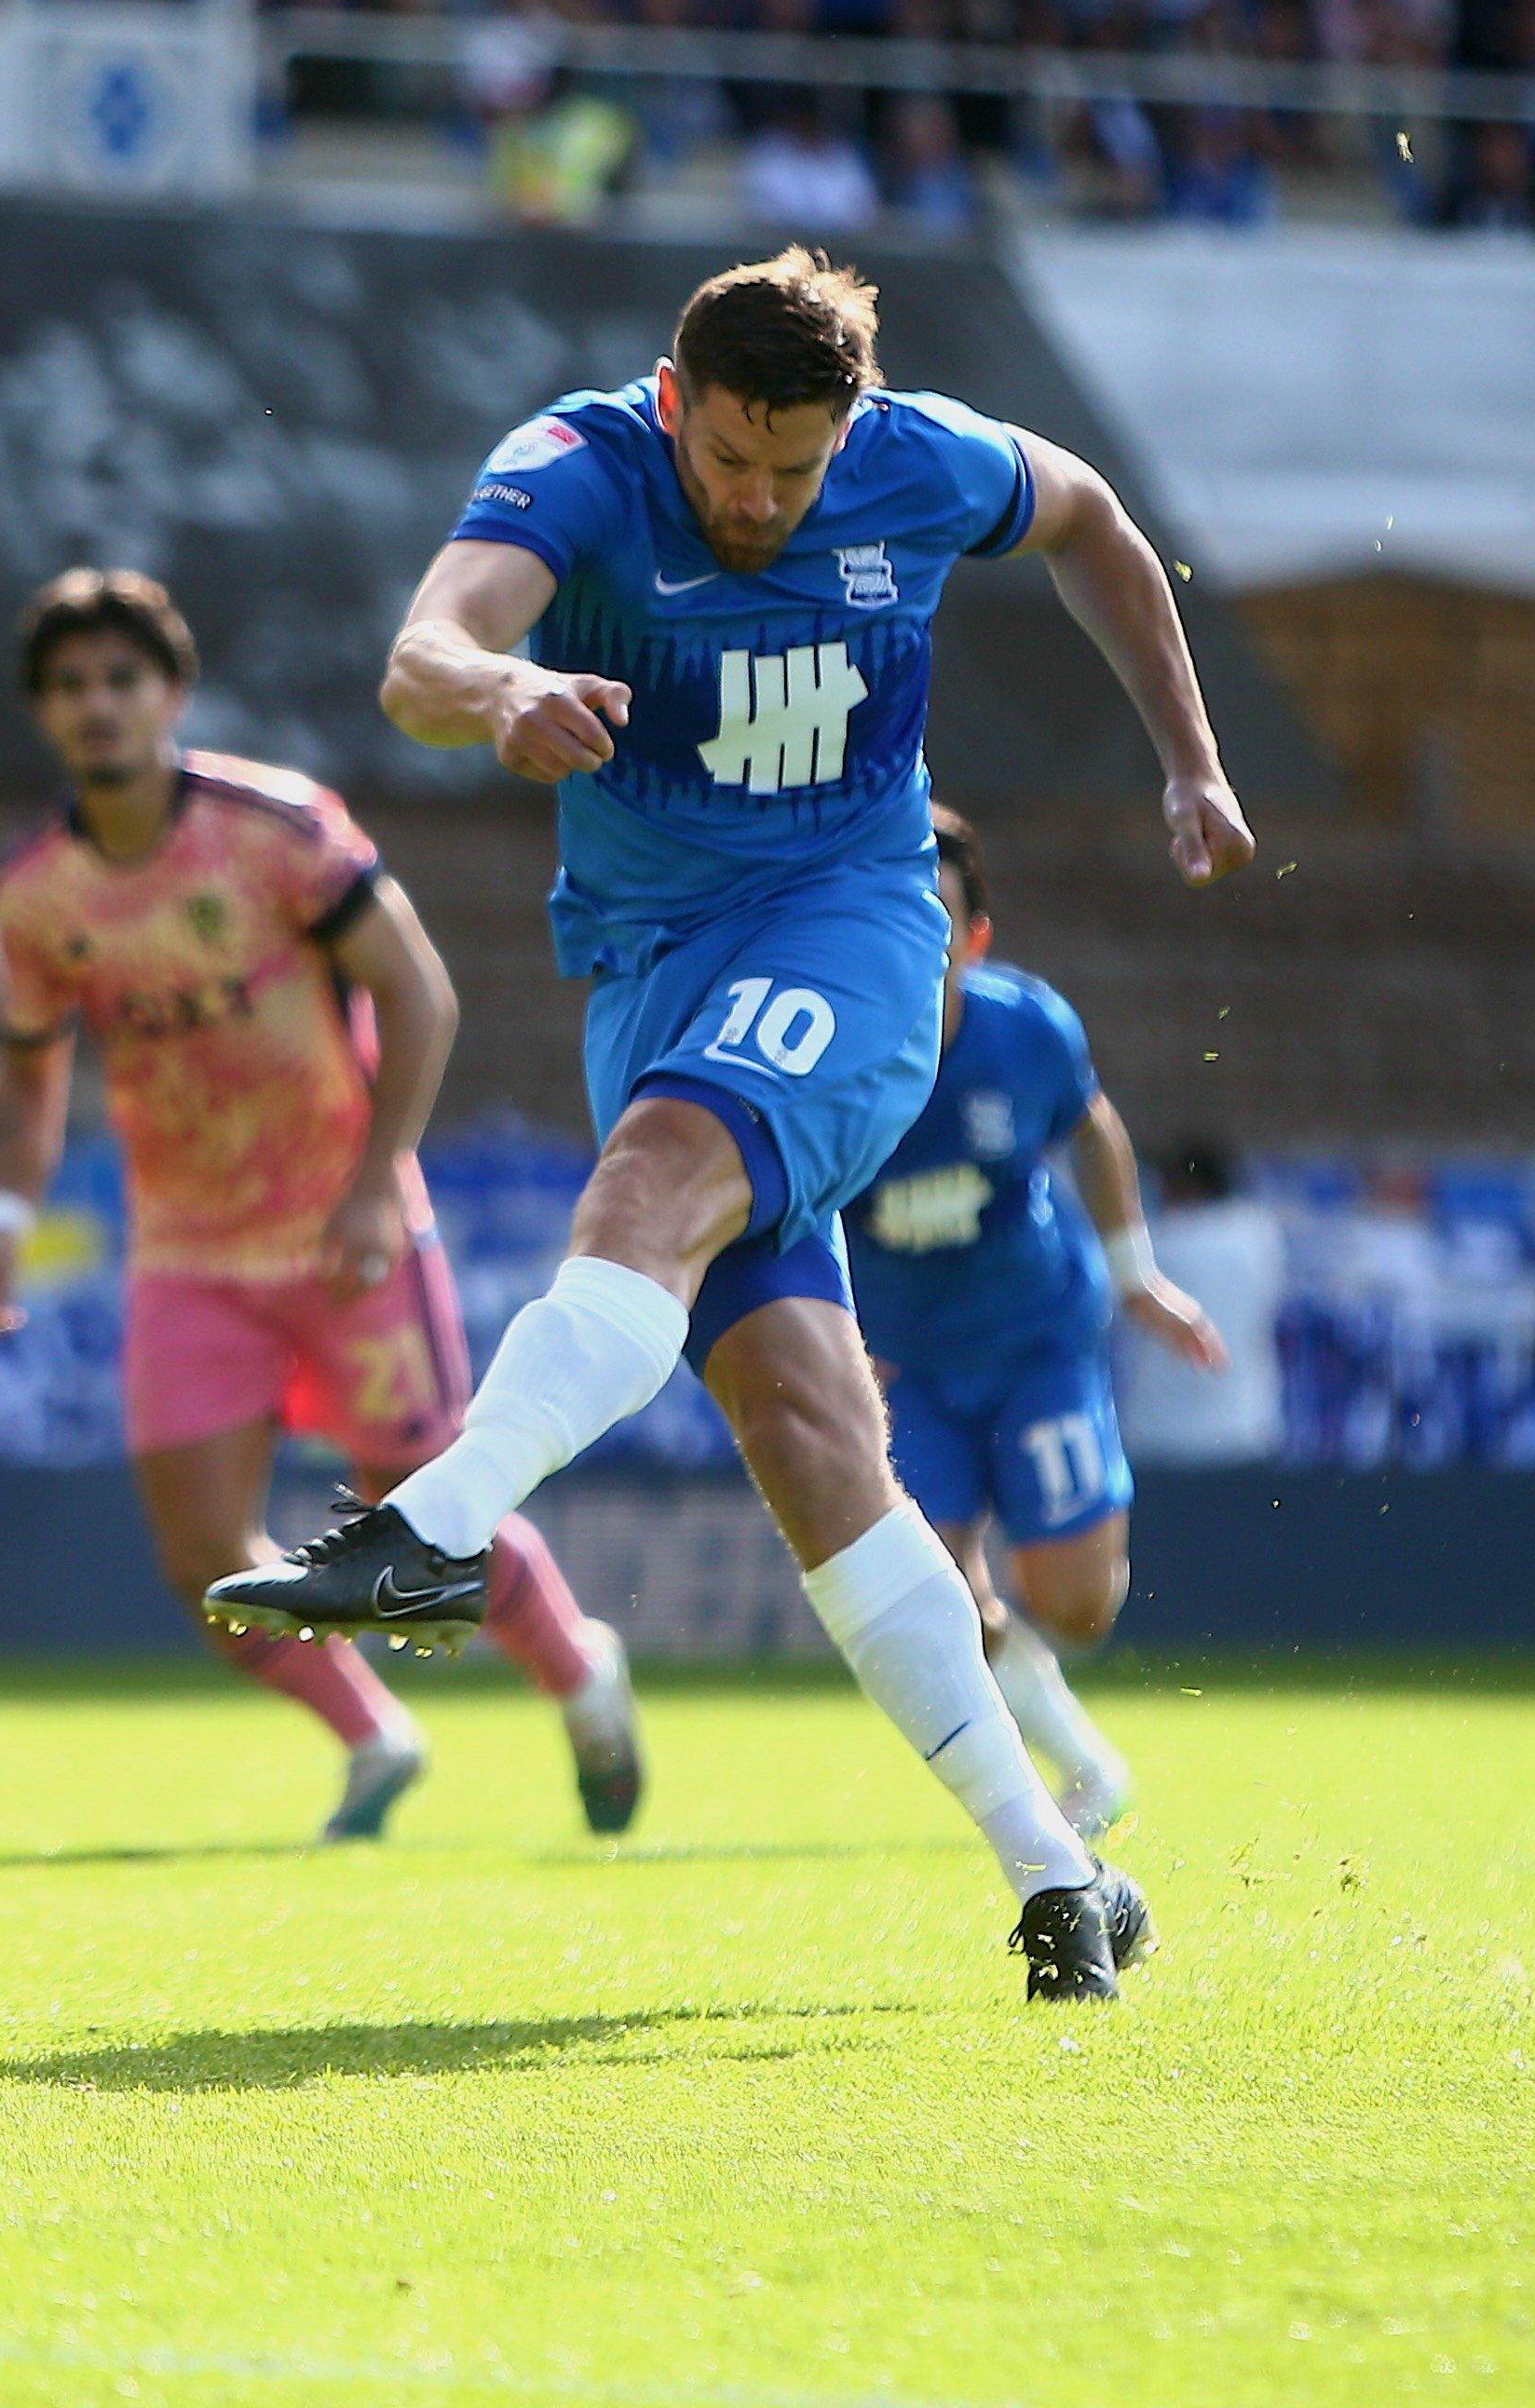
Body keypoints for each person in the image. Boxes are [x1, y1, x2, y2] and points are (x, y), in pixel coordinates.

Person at [208, 244, 1257, 2001]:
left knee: (653, 1177)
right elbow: (420, 656)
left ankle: (435, 1532)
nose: (760, 501)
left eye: (797, 471)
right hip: (647, 966)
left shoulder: (921, 456)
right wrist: (504, 696)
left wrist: (1191, 756)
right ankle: (1060, 1873)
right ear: (677, 403)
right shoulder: (581, 465)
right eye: (730, 466)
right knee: (805, 1435)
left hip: (850, 929)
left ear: (849, 429)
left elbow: (1090, 521)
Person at [0, 572, 645, 1844]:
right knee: (200, 1560)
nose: (96, 706)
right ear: (42, 715)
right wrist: (5, 1223)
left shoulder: (275, 830)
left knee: (425, 1514)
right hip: (186, 1258)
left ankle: (578, 1675)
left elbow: (419, 996)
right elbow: (23, 1076)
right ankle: (374, 1735)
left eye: (120, 680)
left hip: (347, 1240)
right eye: (69, 688)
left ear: (169, 691)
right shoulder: (34, 898)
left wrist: (375, 1185)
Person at [847, 804, 1227, 1848]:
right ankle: (1082, 1769)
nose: (908, 941)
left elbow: (1091, 1125)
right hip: (909, 1364)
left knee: (1076, 1605)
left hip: (1035, 1342)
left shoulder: (1027, 1032)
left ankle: (1080, 1742)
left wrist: (1133, 1274)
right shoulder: (828, 1056)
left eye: (933, 918)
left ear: (973, 937)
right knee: (934, 1597)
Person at [1114, 1137, 1284, 1467]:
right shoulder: (1260, 1236)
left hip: (1160, 1434)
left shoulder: (1159, 1244)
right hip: (1247, 1428)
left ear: (1186, 1185)